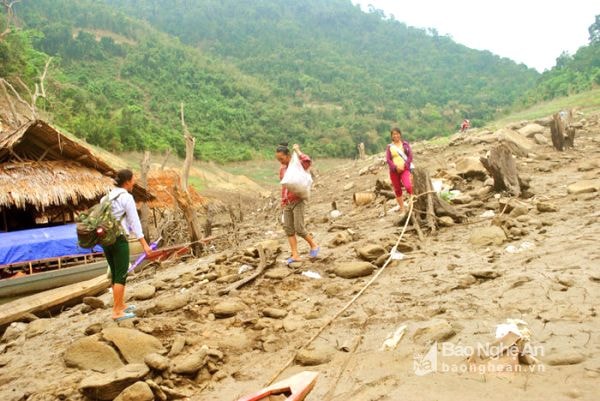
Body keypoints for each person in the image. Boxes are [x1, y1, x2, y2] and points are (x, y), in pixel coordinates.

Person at [103, 169, 153, 321]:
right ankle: (117, 312)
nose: (134, 183)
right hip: (119, 239)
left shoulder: (105, 197)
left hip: (105, 239)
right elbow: (134, 222)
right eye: (133, 180)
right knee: (121, 274)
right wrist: (145, 245)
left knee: (114, 272)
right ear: (127, 182)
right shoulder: (126, 197)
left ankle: (120, 305)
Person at [276, 143, 320, 265]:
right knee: (289, 229)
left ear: (288, 155)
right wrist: (283, 201)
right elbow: (285, 187)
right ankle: (295, 255)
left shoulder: (297, 165)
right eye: (278, 159)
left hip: (298, 201)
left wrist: (298, 150)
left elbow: (307, 161)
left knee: (299, 228)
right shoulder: (282, 169)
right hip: (287, 202)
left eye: (282, 159)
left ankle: (314, 246)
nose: (280, 161)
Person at [385, 128, 414, 212]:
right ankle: (402, 209)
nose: (396, 135)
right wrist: (395, 167)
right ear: (391, 136)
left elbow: (410, 156)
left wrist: (404, 165)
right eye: (394, 134)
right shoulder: (389, 147)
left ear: (400, 134)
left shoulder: (405, 144)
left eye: (397, 133)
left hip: (405, 169)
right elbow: (388, 159)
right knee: (397, 189)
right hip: (394, 171)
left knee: (408, 186)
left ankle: (412, 205)